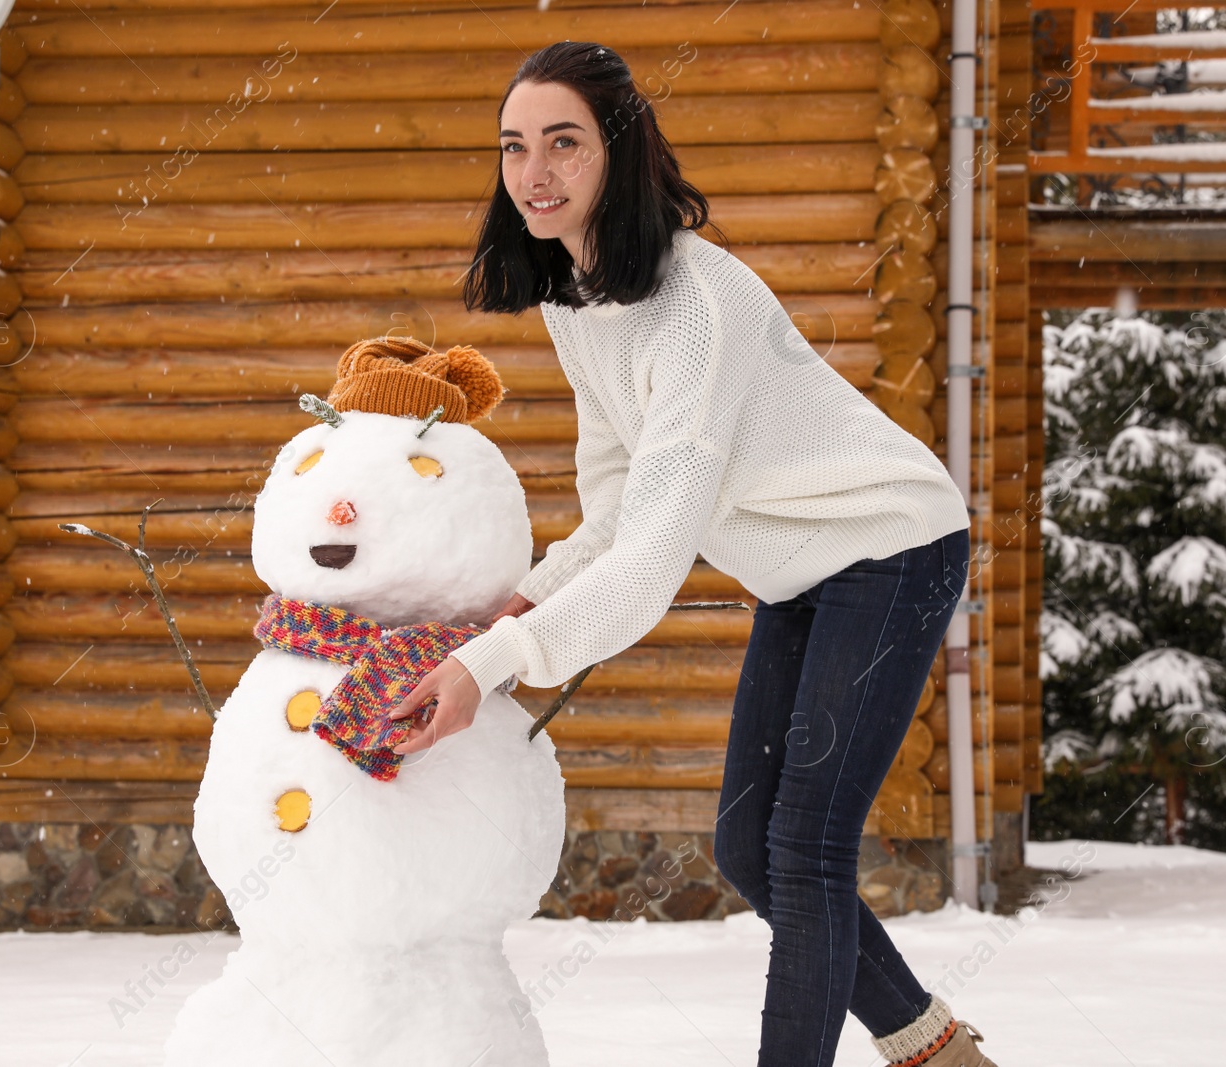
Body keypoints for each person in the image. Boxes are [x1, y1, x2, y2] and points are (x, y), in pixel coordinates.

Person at [389, 41, 998, 1067]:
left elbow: (651, 564)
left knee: (802, 851)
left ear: (619, 154)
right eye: (513, 147)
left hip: (894, 548)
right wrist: (510, 610)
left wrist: (493, 661)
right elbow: (617, 512)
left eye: (563, 144)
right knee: (746, 845)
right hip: (803, 571)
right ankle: (932, 1045)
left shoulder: (697, 305)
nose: (533, 172)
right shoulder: (576, 296)